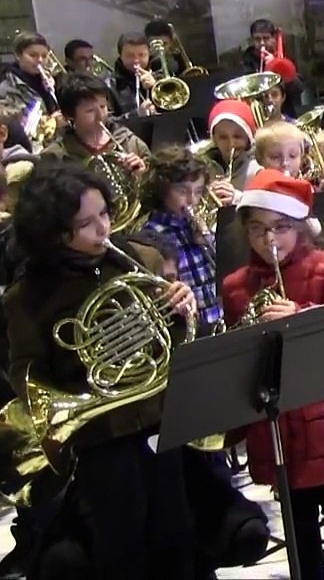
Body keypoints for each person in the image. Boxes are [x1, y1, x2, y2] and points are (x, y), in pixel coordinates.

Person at [5, 161, 201, 579]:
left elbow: (173, 336)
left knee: (178, 533)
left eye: (104, 215)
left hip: (158, 418)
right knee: (121, 547)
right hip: (100, 438)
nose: (103, 230)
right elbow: (25, 373)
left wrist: (181, 309)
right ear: (53, 233)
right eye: (86, 224)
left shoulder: (136, 258)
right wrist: (87, 362)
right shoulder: (29, 296)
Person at [221, 169, 324, 580]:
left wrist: (302, 317)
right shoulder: (238, 285)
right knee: (297, 515)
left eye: (280, 229)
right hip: (276, 421)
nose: (268, 240)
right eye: (256, 230)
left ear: (299, 228)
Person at [140, 146, 221, 337]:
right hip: (193, 329)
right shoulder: (152, 236)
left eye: (198, 191)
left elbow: (223, 271)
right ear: (162, 190)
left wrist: (207, 240)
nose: (192, 200)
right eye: (183, 191)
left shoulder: (200, 225)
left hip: (221, 317)